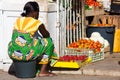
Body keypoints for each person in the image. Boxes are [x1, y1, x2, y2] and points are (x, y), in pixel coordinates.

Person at [8, 1, 58, 77]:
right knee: (49, 42)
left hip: (13, 53)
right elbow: (46, 35)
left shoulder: (18, 20)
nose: (38, 14)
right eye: (38, 12)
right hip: (27, 54)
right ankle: (43, 71)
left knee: (17, 43)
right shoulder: (36, 22)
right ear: (34, 12)